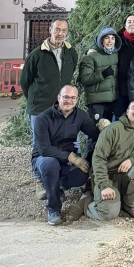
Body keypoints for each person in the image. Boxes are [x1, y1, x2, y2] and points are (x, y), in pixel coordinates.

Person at [31, 85, 101, 225]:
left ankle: (57, 187)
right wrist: (73, 158)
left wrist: (105, 128)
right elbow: (45, 149)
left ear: (77, 99)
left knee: (81, 176)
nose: (69, 100)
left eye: (73, 98)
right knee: (50, 165)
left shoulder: (80, 115)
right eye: (66, 97)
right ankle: (53, 208)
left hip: (66, 160)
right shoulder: (42, 118)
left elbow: (95, 134)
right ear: (58, 98)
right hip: (44, 158)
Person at [85, 96, 134, 222]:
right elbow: (98, 158)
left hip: (126, 176)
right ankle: (86, 202)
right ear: (127, 111)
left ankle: (129, 204)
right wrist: (104, 185)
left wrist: (132, 160)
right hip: (108, 177)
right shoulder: (113, 129)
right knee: (108, 214)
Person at [21, 19, 77, 118]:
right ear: (50, 30)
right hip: (39, 109)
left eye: (64, 30)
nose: (60, 33)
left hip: (61, 108)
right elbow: (25, 81)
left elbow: (69, 74)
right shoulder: (36, 54)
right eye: (57, 29)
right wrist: (35, 98)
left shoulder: (71, 53)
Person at [76, 27, 122, 123]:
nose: (110, 41)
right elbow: (84, 79)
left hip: (112, 101)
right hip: (96, 103)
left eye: (112, 38)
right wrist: (102, 75)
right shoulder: (90, 57)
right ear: (101, 40)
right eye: (106, 38)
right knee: (96, 132)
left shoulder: (116, 55)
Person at [112, 14, 134, 120]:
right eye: (129, 22)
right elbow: (102, 43)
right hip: (121, 88)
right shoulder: (117, 40)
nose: (131, 24)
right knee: (120, 121)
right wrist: (91, 50)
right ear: (124, 25)